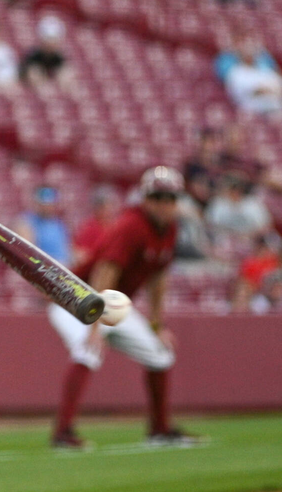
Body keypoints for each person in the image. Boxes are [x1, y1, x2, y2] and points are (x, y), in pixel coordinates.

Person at [48, 167, 195, 450]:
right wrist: (95, 327)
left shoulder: (170, 228)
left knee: (159, 354)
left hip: (112, 303)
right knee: (87, 350)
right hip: (77, 298)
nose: (164, 204)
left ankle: (159, 429)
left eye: (170, 198)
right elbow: (105, 273)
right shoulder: (132, 225)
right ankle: (63, 432)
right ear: (145, 199)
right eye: (157, 197)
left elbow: (158, 279)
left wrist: (156, 324)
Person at [222, 36, 282, 114]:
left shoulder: (265, 69)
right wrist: (263, 90)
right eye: (247, 52)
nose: (251, 55)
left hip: (277, 107)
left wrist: (270, 90)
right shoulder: (236, 72)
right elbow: (241, 92)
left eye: (252, 52)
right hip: (252, 110)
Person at [16, 186, 71, 265]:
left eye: (50, 203)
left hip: (64, 266)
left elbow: (67, 249)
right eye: (44, 204)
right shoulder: (26, 222)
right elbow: (27, 251)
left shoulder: (59, 223)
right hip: (44, 267)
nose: (47, 207)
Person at [72, 186, 118, 266]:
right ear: (99, 208)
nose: (111, 209)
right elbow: (79, 253)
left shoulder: (114, 227)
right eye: (108, 205)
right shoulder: (89, 228)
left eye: (112, 205)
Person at [20, 15, 67, 85]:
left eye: (53, 40)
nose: (51, 44)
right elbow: (33, 78)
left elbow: (65, 79)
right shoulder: (32, 57)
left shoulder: (60, 59)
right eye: (49, 39)